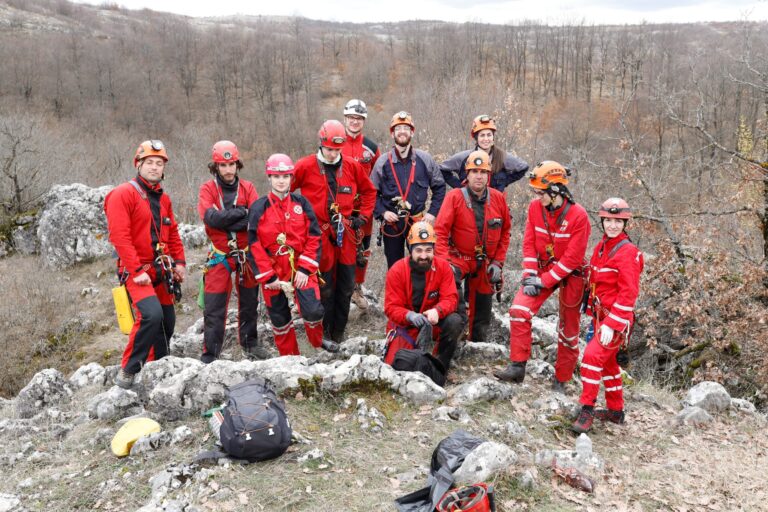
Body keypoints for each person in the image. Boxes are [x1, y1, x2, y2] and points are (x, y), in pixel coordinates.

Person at [494, 161, 590, 391]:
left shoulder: (579, 217)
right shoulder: (536, 209)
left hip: (571, 274)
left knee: (568, 328)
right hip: (543, 268)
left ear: (556, 190)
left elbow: (571, 261)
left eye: (540, 192)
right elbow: (529, 244)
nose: (537, 196)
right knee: (518, 310)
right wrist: (529, 275)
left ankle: (562, 378)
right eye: (535, 192)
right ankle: (518, 366)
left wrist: (544, 280)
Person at [104, 140, 186, 388]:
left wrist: (180, 262)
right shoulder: (122, 194)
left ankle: (158, 364)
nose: (154, 167)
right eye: (149, 162)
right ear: (138, 165)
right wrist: (137, 270)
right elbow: (120, 236)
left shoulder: (163, 199)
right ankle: (129, 370)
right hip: (136, 269)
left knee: (167, 322)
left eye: (159, 163)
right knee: (151, 315)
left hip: (161, 268)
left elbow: (172, 233)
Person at [292, 120, 377, 344]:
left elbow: (369, 191)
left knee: (347, 286)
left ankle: (339, 332)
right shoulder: (304, 166)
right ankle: (325, 333)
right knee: (325, 285)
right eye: (329, 149)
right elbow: (284, 191)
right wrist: (296, 221)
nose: (332, 154)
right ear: (321, 144)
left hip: (347, 234)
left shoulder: (351, 166)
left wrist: (363, 217)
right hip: (319, 235)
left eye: (336, 150)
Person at [247, 154, 339, 355]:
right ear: (269, 178)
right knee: (280, 318)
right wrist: (268, 276)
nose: (281, 181)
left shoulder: (301, 203)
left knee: (313, 310)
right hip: (273, 271)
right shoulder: (258, 208)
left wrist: (306, 269)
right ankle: (291, 359)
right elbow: (253, 245)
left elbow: (314, 236)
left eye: (286, 176)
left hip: (300, 267)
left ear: (291, 178)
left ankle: (317, 344)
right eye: (277, 177)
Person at [572, 198, 643, 433]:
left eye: (618, 221)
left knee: (591, 358)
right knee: (609, 364)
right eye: (608, 220)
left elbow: (628, 294)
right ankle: (616, 411)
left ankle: (586, 409)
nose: (612, 225)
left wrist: (612, 325)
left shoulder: (628, 252)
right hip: (600, 317)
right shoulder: (601, 247)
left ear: (625, 223)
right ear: (602, 221)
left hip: (615, 321)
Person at [198, 141, 267, 363]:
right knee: (214, 307)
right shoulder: (208, 189)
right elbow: (210, 218)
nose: (228, 170)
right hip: (220, 255)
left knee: (249, 303)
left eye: (231, 164)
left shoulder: (248, 188)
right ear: (215, 166)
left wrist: (227, 218)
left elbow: (255, 219)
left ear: (237, 164)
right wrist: (241, 213)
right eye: (223, 165)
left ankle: (250, 343)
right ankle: (211, 353)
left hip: (246, 254)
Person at [434, 151, 511, 342]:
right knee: (451, 294)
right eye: (474, 171)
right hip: (459, 257)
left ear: (489, 175)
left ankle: (477, 343)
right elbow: (440, 232)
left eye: (483, 172)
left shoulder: (498, 199)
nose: (479, 176)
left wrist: (498, 262)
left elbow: (505, 232)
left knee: (483, 308)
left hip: (485, 261)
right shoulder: (454, 197)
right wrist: (445, 263)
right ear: (466, 175)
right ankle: (452, 335)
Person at [383, 222, 463, 380]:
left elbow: (451, 298)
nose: (424, 256)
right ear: (410, 250)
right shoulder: (397, 271)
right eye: (418, 250)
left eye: (428, 250)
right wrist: (409, 316)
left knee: (455, 321)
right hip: (406, 326)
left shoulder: (443, 268)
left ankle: (440, 368)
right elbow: (391, 307)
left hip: (432, 324)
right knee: (398, 366)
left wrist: (437, 311)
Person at [370, 111, 446, 268]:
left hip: (418, 221)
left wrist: (432, 213)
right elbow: (371, 193)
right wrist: (383, 212)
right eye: (398, 128)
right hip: (392, 225)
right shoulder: (382, 163)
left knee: (421, 264)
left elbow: (439, 187)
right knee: (395, 266)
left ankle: (418, 293)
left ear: (412, 132)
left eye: (406, 128)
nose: (402, 131)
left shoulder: (425, 159)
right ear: (392, 134)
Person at [341, 99, 381, 310]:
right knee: (337, 247)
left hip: (364, 207)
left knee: (363, 250)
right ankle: (339, 287)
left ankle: (357, 288)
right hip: (341, 207)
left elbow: (379, 175)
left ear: (363, 121)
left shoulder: (372, 148)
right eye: (351, 118)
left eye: (359, 118)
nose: (354, 122)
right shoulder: (336, 141)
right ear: (345, 118)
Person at [440, 115, 529, 192]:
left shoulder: (502, 157)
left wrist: (504, 182)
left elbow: (523, 167)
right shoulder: (464, 158)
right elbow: (442, 169)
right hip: (468, 206)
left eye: (489, 135)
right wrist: (460, 187)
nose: (486, 139)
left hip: (495, 207)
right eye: (482, 135)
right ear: (476, 138)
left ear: (493, 137)